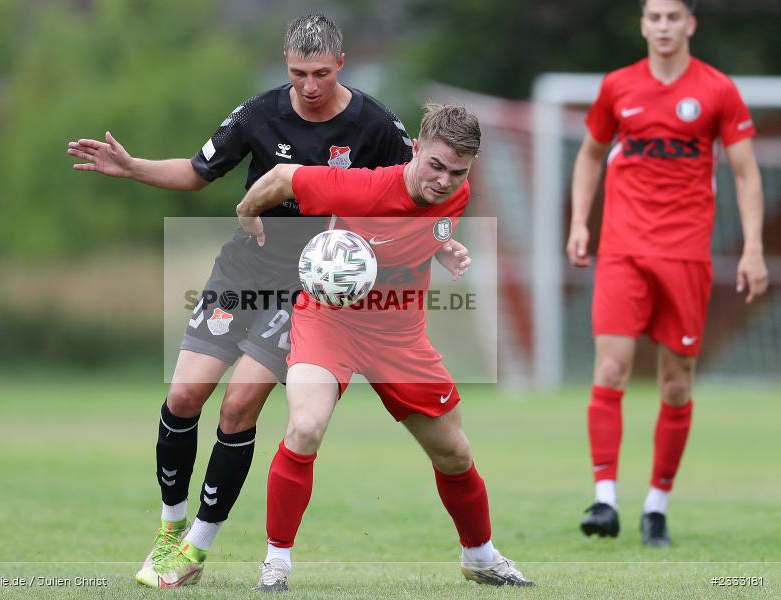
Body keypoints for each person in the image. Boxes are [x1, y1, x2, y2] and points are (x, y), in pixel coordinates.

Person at [67, 14, 468, 588]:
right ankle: (168, 530)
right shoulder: (259, 113)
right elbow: (198, 171)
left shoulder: (376, 124)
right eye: (299, 73)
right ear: (285, 63)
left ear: (341, 65)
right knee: (184, 395)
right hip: (245, 266)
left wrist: (442, 245)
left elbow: (417, 193)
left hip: (311, 286)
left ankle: (195, 551)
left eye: (322, 74)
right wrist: (133, 169)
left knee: (237, 408)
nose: (310, 85)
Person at [237, 103, 533, 591]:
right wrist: (247, 212)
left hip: (400, 337)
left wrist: (444, 245)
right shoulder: (363, 185)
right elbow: (285, 175)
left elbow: (421, 228)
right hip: (330, 323)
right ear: (415, 149)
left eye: (457, 172)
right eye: (435, 165)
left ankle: (481, 558)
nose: (443, 180)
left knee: (455, 454)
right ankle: (276, 564)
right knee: (305, 426)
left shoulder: (456, 195)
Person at [566, 0, 768, 546]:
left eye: (672, 17)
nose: (662, 27)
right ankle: (604, 500)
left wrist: (752, 250)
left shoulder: (718, 91)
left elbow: (747, 175)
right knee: (611, 367)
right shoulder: (618, 87)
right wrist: (581, 222)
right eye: (653, 17)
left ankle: (656, 506)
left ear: (689, 24)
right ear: (642, 24)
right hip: (623, 249)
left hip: (685, 254)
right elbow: (589, 155)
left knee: (676, 383)